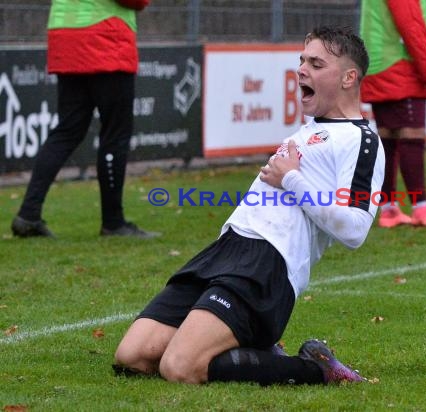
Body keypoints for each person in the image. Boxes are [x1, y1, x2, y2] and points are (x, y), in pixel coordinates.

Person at [113, 26, 384, 385]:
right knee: (131, 357)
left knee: (179, 367)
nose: (302, 69)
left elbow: (354, 229)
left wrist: (291, 179)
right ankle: (255, 349)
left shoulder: (362, 140)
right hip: (226, 249)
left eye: (316, 64)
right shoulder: (308, 129)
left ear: (350, 77)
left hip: (266, 265)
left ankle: (317, 370)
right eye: (302, 61)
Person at [10, 0, 159, 239]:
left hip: (65, 38)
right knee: (115, 134)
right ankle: (113, 223)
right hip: (106, 39)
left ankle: (28, 214)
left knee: (67, 130)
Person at [360, 0, 426, 229]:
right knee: (412, 135)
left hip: (376, 64)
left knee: (388, 139)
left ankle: (389, 209)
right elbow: (411, 25)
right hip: (399, 65)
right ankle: (421, 209)